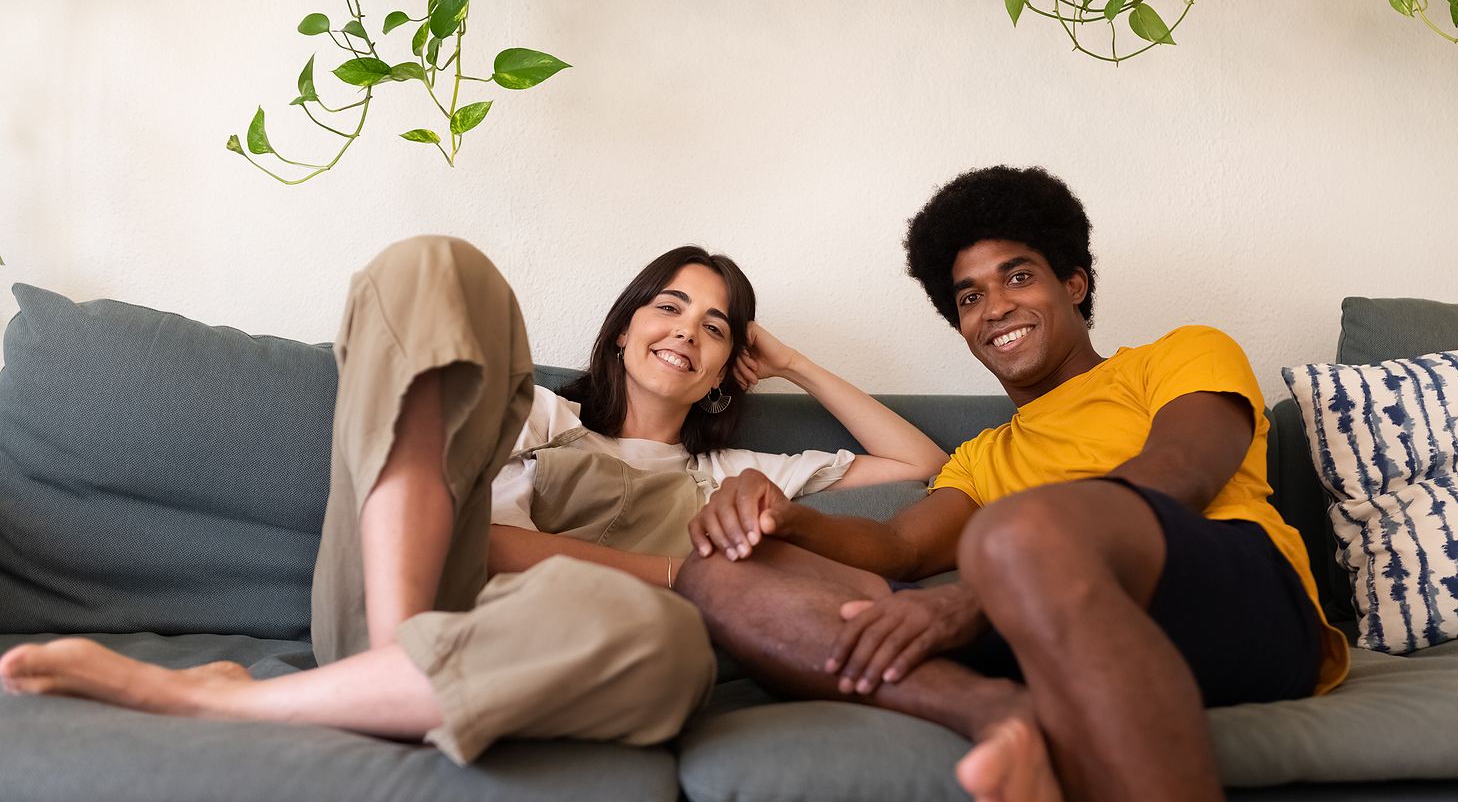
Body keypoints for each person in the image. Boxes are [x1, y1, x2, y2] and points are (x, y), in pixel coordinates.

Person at [674, 167, 1350, 802]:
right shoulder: (985, 457)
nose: (993, 307)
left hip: (1240, 599)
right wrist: (783, 511)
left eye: (1017, 276)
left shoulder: (1179, 354)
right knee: (712, 575)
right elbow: (899, 550)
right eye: (967, 297)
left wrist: (978, 593)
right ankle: (998, 714)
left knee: (1018, 534)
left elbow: (1178, 475)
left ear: (1074, 283)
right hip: (1050, 623)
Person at [0, 236, 948, 765]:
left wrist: (790, 362)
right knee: (444, 271)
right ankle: (393, 659)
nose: (686, 332)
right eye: (667, 305)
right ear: (622, 331)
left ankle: (244, 705)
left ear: (723, 373)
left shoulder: (732, 479)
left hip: (557, 651)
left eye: (716, 328)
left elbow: (922, 464)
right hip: (401, 600)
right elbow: (484, 544)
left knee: (661, 643)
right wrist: (673, 570)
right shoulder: (534, 413)